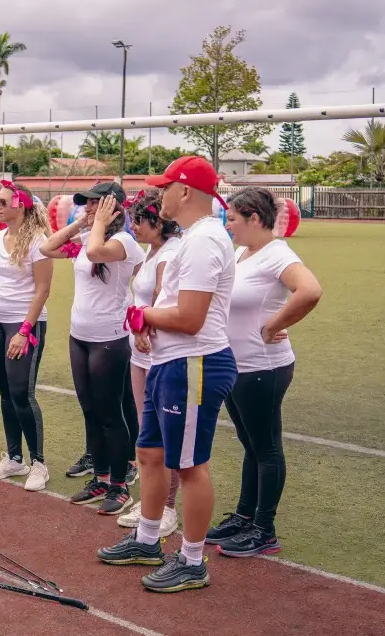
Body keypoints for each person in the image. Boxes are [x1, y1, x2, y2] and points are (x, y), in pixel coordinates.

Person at [96, 155, 237, 594]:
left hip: (193, 362)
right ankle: (146, 540)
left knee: (191, 467)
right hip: (171, 362)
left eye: (164, 187)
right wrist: (147, 319)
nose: (158, 196)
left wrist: (141, 314)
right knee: (151, 454)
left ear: (185, 192)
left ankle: (192, 561)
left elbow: (191, 316)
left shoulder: (203, 241)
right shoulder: (197, 237)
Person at [205, 187, 322, 557]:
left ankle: (264, 529)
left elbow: (310, 290)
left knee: (266, 447)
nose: (229, 226)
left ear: (255, 218)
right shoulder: (245, 251)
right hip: (238, 365)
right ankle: (244, 516)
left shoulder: (277, 254)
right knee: (250, 444)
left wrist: (273, 325)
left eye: (234, 219)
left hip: (262, 367)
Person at [40, 181, 144, 514]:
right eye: (86, 204)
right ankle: (100, 478)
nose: (87, 208)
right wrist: (82, 224)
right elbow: (48, 247)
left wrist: (96, 226)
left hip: (109, 339)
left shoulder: (124, 242)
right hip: (80, 337)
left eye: (94, 204)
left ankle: (119, 484)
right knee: (90, 412)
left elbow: (99, 253)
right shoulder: (87, 239)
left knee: (111, 414)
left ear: (112, 208)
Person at [0, 180, 53, 492]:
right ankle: (15, 458)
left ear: (20, 205)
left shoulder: (38, 242)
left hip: (23, 326)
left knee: (22, 393)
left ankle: (39, 463)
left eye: (4, 201)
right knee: (5, 393)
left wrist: (24, 331)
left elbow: (43, 289)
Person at [116, 188, 182, 535]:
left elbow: (160, 297)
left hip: (158, 355)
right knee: (147, 433)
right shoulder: (150, 248)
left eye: (139, 221)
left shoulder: (168, 254)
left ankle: (167, 507)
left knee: (161, 435)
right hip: (140, 353)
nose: (134, 226)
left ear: (158, 222)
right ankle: (153, 498)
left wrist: (144, 325)